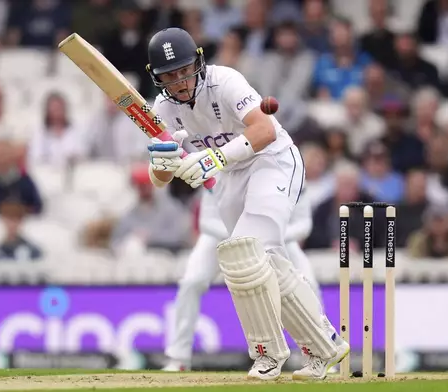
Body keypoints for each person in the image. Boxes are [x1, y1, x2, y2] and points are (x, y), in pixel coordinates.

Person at [144, 27, 349, 381]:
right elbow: (162, 177)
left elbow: (265, 129)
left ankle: (268, 354)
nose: (179, 81)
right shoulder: (161, 108)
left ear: (199, 61)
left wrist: (211, 159)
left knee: (248, 252)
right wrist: (160, 165)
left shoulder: (225, 81)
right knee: (262, 259)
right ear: (157, 77)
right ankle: (325, 345)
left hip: (272, 160)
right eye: (169, 75)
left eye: (184, 70)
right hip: (231, 176)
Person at [162, 190, 321, 371]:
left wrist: (269, 235)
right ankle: (179, 357)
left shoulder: (286, 170)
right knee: (192, 281)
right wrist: (244, 235)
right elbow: (207, 221)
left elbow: (303, 224)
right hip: (220, 237)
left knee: (308, 282)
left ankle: (317, 356)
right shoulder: (218, 169)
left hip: (276, 238)